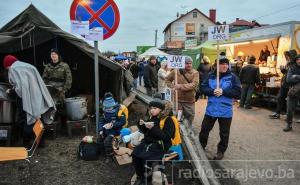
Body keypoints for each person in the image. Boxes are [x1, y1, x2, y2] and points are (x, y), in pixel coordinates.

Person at [3, 55, 55, 146]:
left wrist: (10, 91)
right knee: (38, 119)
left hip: (25, 99)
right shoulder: (29, 66)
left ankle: (26, 143)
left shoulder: (13, 69)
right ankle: (41, 142)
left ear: (8, 64)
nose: (8, 70)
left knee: (26, 118)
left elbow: (19, 89)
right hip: (37, 97)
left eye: (7, 68)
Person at [199, 58, 241, 160]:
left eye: (226, 64)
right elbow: (202, 88)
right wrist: (212, 91)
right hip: (211, 110)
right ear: (217, 66)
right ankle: (200, 147)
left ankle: (221, 151)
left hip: (225, 111)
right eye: (222, 64)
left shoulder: (233, 77)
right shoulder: (210, 76)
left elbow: (238, 93)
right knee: (204, 130)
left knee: (224, 133)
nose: (225, 66)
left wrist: (223, 91)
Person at [132, 98, 175, 185]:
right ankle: (140, 176)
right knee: (135, 154)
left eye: (155, 108)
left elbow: (166, 137)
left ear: (161, 109)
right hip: (148, 142)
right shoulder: (152, 117)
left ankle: (147, 179)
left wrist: (153, 128)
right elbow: (146, 132)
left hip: (160, 145)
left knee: (145, 158)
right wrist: (141, 125)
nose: (152, 110)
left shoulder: (168, 120)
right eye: (151, 108)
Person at [165, 56, 199, 124]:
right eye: (186, 63)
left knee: (189, 118)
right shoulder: (176, 71)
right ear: (182, 63)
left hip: (189, 100)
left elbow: (194, 84)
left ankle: (187, 131)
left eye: (190, 63)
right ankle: (178, 132)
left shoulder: (195, 73)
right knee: (177, 118)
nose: (189, 65)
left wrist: (180, 86)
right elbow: (167, 79)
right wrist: (173, 87)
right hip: (178, 100)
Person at [98, 92, 127, 160]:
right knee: (99, 139)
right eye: (106, 108)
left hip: (116, 130)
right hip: (106, 129)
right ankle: (103, 154)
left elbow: (123, 121)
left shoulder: (119, 111)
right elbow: (101, 121)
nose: (108, 110)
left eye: (109, 108)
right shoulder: (105, 112)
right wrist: (101, 130)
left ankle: (110, 156)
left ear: (113, 105)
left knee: (107, 141)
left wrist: (113, 125)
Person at [269, 50, 297, 119]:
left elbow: (294, 76)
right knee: (280, 98)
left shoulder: (295, 65)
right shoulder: (288, 64)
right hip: (284, 84)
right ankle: (277, 113)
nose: (287, 57)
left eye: (288, 56)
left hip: (291, 85)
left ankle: (288, 116)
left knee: (290, 101)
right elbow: (287, 74)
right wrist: (283, 71)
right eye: (287, 56)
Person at [283, 55, 300, 132]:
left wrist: (296, 76)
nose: (299, 61)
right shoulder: (292, 68)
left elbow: (292, 78)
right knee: (290, 109)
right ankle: (289, 125)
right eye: (298, 59)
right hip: (294, 91)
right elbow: (289, 79)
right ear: (295, 60)